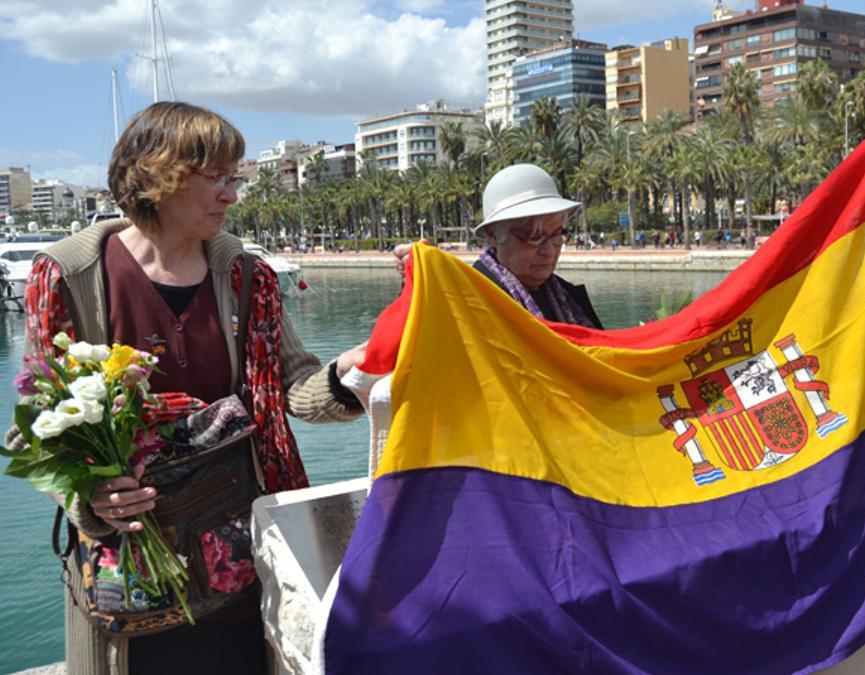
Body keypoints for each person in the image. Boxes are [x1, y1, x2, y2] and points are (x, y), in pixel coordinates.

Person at [12, 101, 367, 675]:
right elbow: (39, 425)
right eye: (217, 178)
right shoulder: (71, 276)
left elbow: (293, 387)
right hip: (130, 566)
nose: (232, 195)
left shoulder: (246, 276)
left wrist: (351, 374)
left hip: (238, 556)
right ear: (157, 175)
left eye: (236, 178)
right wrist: (89, 498)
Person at [394, 163, 602, 329]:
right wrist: (419, 284)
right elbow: (420, 335)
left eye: (557, 234)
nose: (549, 251)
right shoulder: (466, 301)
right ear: (493, 234)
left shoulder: (568, 297)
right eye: (534, 236)